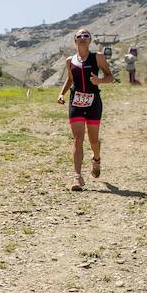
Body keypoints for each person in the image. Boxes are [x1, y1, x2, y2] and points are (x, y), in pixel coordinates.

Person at [57, 28, 113, 191]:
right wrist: (61, 94)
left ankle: (96, 159)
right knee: (78, 138)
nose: (82, 38)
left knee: (93, 140)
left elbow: (110, 77)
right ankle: (77, 176)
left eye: (86, 36)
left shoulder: (98, 57)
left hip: (94, 101)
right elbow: (70, 79)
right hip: (76, 102)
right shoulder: (70, 60)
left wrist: (99, 81)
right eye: (79, 36)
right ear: (75, 41)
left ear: (90, 40)